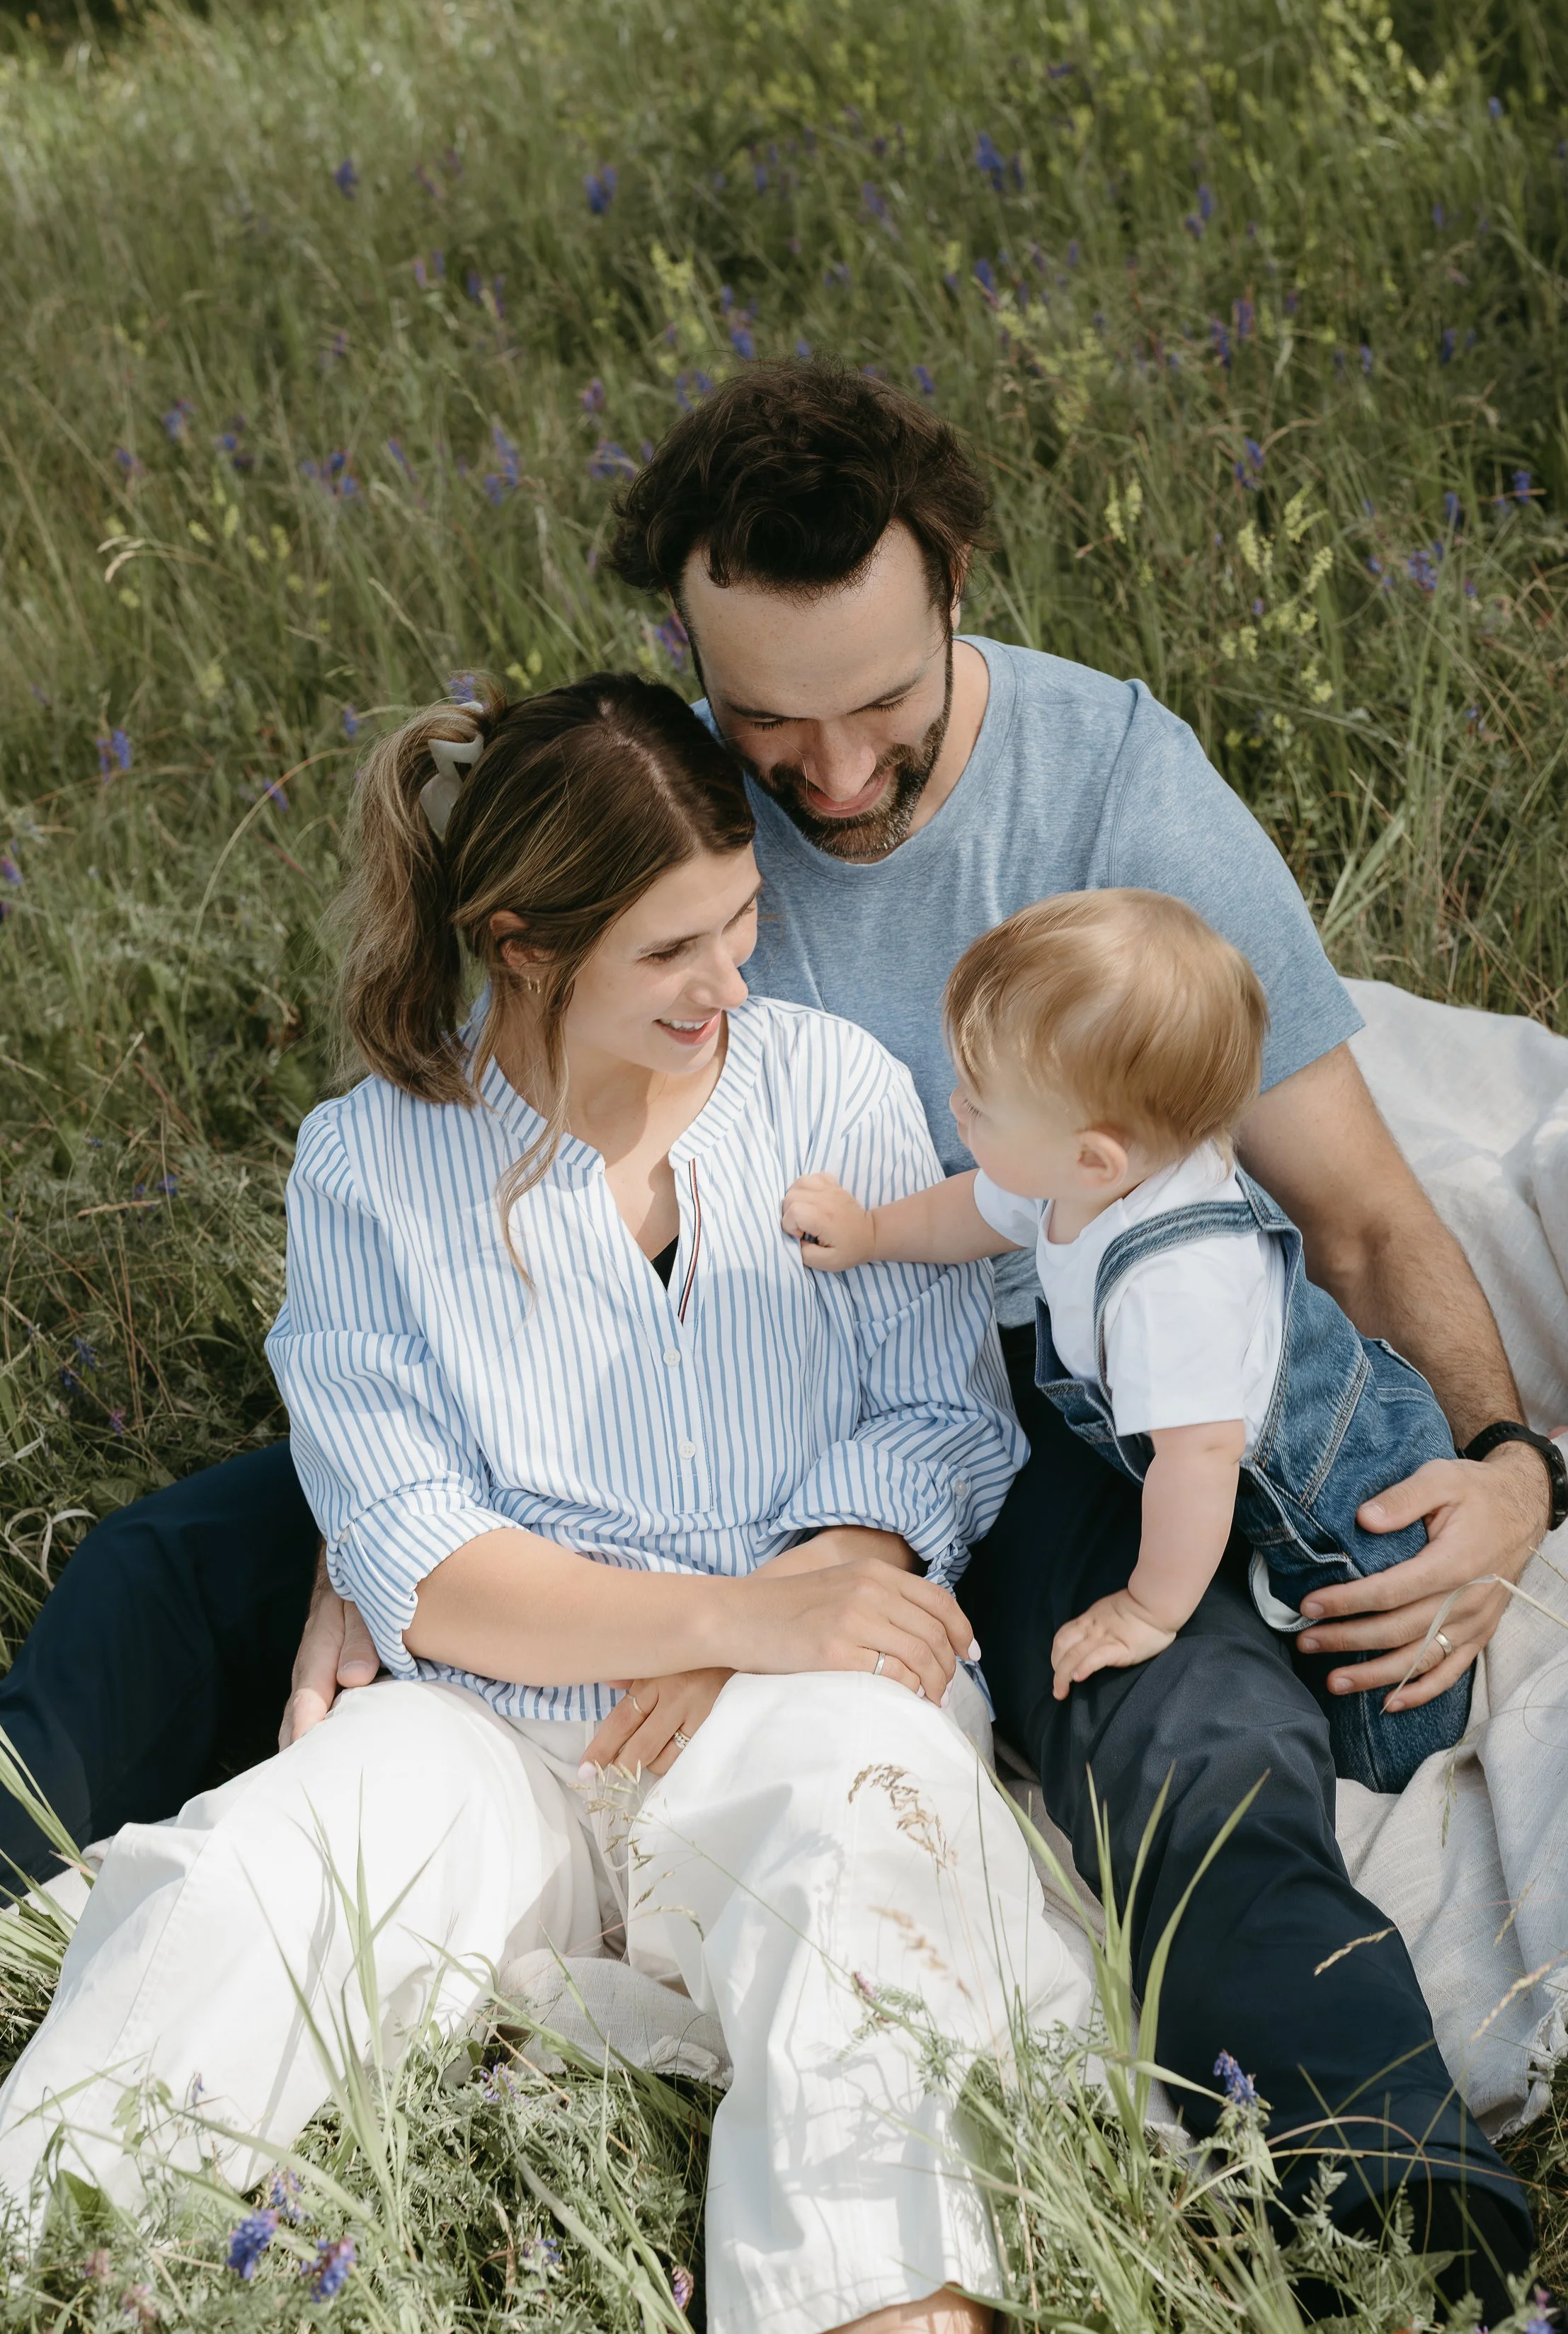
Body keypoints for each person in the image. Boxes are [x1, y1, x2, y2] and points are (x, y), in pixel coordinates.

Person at [0, 360, 1559, 2310]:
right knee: (175, 1601)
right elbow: (414, 1300)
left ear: (955, 598)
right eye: (769, 730)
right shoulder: (624, 822)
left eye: (875, 718)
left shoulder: (1075, 810)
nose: (820, 784)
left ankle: (1397, 2215)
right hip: (598, 1491)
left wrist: (1509, 1459)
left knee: (1165, 1748)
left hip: (1016, 1411)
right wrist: (385, 1536)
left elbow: (1343, 1211)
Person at [0, 675, 1090, 2334]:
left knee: (866, 1830)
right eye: (672, 951)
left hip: (805, 1689)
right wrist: (723, 1611)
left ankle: (880, 2311)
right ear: (523, 941)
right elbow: (416, 1552)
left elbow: (939, 1411)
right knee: (250, 1881)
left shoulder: (831, 1085)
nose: (727, 980)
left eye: (741, 921)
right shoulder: (372, 1160)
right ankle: (45, 2236)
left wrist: (807, 1598)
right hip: (494, 1729)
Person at [782, 888, 1473, 1795]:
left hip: (1345, 1507)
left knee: (1381, 1690)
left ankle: (1402, 1767)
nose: (954, 1109)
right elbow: (975, 1210)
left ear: (1095, 1159)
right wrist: (871, 1232)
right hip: (1239, 1466)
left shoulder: (1169, 1286)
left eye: (978, 1105)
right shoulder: (1067, 1174)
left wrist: (1148, 1610)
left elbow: (1200, 1458)